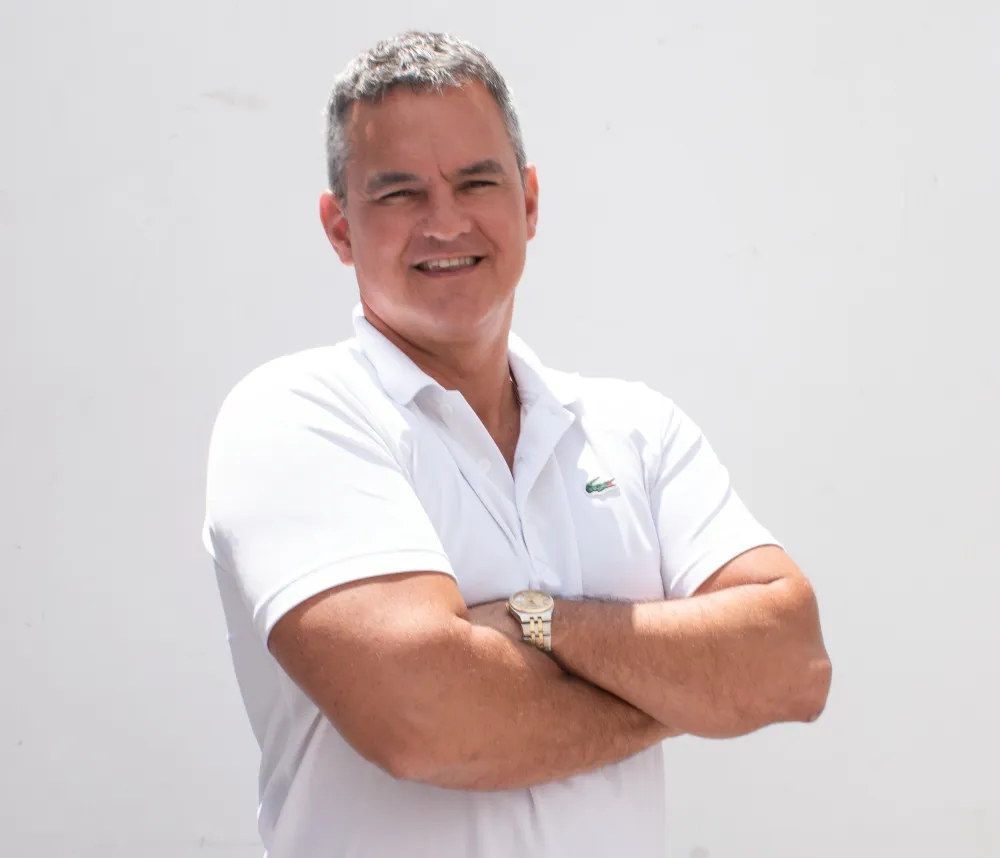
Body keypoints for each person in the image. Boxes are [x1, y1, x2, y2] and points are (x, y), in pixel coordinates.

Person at [202, 29, 832, 858]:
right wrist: (680, 688)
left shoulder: (636, 429)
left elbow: (792, 666)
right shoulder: (297, 416)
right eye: (399, 193)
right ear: (339, 226)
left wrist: (540, 622)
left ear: (529, 202)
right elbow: (425, 721)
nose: (444, 221)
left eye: (477, 182)